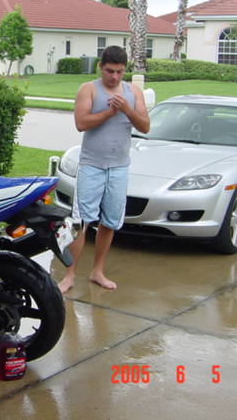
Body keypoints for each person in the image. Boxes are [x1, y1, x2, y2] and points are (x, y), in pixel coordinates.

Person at [58, 45, 150, 293]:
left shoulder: (133, 92)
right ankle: (70, 275)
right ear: (101, 67)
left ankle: (97, 271)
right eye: (110, 71)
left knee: (110, 221)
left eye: (120, 72)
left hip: (119, 167)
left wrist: (127, 109)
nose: (115, 77)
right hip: (91, 165)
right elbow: (81, 123)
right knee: (81, 222)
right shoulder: (88, 89)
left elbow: (145, 126)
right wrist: (110, 112)